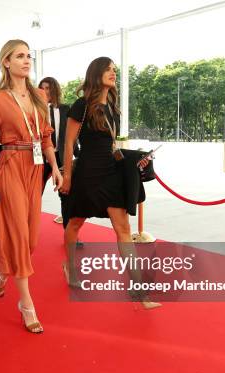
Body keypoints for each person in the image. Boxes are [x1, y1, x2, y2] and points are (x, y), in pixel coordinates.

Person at [0, 39, 63, 334]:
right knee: (19, 234)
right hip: (9, 165)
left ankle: (1, 268)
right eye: (19, 56)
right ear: (6, 63)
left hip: (35, 168)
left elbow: (47, 137)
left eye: (28, 56)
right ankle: (26, 304)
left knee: (32, 238)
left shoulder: (39, 95)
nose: (26, 61)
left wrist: (55, 167)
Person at [59, 57, 160, 310]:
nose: (113, 73)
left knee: (123, 228)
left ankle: (138, 289)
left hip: (111, 172)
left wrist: (135, 157)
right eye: (108, 69)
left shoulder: (113, 107)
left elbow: (112, 143)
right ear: (96, 74)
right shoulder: (81, 105)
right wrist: (68, 176)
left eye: (114, 69)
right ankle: (70, 268)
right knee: (75, 222)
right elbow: (69, 143)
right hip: (87, 173)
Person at [38, 76, 79, 226]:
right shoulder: (35, 109)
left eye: (48, 88)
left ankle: (68, 231)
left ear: (54, 89)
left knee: (66, 194)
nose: (44, 91)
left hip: (61, 156)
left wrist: (77, 153)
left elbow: (72, 135)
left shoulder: (65, 109)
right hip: (40, 157)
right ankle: (29, 230)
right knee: (36, 194)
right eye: (42, 88)